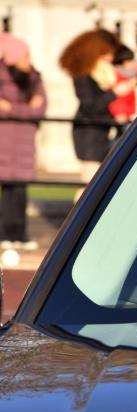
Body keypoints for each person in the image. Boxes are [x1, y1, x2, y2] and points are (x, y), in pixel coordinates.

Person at [59, 29, 135, 187]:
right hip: (89, 133)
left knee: (96, 185)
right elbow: (90, 105)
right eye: (106, 53)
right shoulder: (83, 74)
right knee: (89, 186)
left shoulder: (98, 72)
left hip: (99, 131)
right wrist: (114, 92)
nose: (110, 58)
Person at [0, 33, 46, 250]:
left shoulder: (35, 78)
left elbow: (41, 107)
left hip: (24, 142)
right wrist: (26, 110)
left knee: (19, 189)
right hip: (5, 140)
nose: (29, 60)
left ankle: (19, 233)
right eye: (24, 56)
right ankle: (5, 233)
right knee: (7, 187)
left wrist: (14, 110)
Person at [108, 44, 137, 132]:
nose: (133, 64)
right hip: (120, 117)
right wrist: (118, 113)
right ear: (123, 62)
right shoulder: (114, 74)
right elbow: (112, 97)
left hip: (131, 115)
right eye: (130, 61)